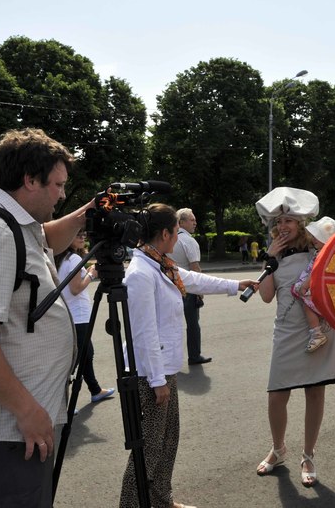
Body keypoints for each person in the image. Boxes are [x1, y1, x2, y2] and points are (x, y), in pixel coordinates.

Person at [0, 128, 91, 507]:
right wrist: (27, 411)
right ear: (29, 180)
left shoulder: (11, 221)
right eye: (58, 185)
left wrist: (87, 215)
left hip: (16, 424)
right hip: (8, 428)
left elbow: (45, 239)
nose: (62, 194)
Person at [119, 203, 257, 508]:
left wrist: (237, 285)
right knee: (148, 449)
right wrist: (157, 381)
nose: (178, 237)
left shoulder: (160, 264)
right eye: (176, 232)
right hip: (149, 374)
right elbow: (144, 333)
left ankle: (161, 500)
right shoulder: (142, 273)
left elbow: (195, 280)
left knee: (168, 441)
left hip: (164, 369)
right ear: (165, 234)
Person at [254, 187, 335, 488]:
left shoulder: (317, 249)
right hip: (286, 331)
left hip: (318, 331)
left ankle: (308, 455)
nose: (283, 226)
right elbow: (266, 296)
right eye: (279, 221)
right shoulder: (274, 254)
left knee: (314, 392)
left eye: (289, 221)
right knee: (276, 395)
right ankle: (278, 449)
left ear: (301, 224)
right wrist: (269, 258)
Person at [55, 231, 116, 406]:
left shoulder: (62, 258)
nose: (82, 238)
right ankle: (61, 403)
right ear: (68, 238)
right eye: (78, 235)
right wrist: (91, 274)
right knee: (79, 358)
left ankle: (95, 390)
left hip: (70, 314)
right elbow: (75, 289)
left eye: (83, 235)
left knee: (84, 355)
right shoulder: (74, 259)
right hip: (78, 315)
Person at [167, 208, 211, 365]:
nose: (195, 223)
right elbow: (195, 268)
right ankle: (194, 356)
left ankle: (168, 358)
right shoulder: (189, 241)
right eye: (192, 220)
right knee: (193, 324)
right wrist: (200, 290)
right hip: (188, 288)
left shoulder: (169, 239)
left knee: (169, 324)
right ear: (181, 222)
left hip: (169, 286)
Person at [291, 216, 335, 353]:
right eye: (313, 236)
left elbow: (317, 271)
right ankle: (317, 333)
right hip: (314, 285)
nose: (313, 239)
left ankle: (317, 334)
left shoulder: (326, 254)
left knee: (308, 305)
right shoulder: (324, 252)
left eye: (318, 237)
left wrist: (305, 285)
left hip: (314, 286)